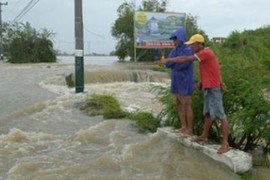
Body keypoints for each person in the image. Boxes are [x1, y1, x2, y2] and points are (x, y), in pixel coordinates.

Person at [156, 34, 230, 154]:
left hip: (213, 88)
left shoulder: (205, 53)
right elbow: (215, 68)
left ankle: (225, 144)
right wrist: (209, 82)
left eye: (192, 45)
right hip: (209, 87)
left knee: (221, 115)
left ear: (200, 44)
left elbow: (185, 59)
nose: (190, 47)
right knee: (207, 114)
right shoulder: (206, 54)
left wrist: (168, 59)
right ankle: (204, 136)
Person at [164, 27, 194, 136]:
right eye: (173, 39)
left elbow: (183, 64)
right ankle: (183, 127)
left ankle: (189, 129)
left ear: (181, 38)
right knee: (178, 103)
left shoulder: (188, 49)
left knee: (187, 104)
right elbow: (168, 64)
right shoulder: (174, 50)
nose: (173, 41)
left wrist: (173, 61)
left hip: (185, 80)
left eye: (175, 39)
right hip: (176, 79)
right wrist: (173, 61)